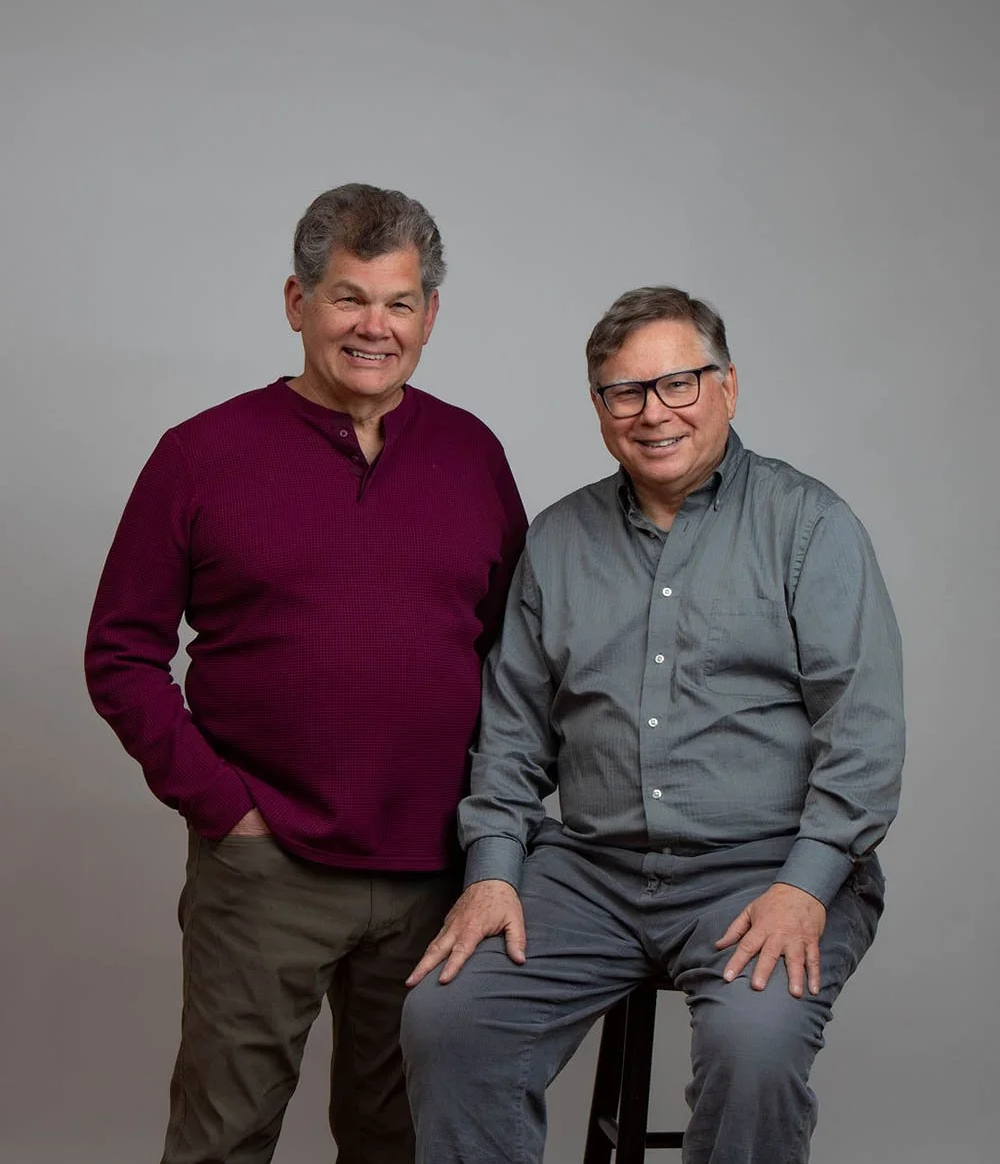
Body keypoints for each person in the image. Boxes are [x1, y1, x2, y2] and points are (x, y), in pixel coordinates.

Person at [401, 286, 904, 1164]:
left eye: (679, 383)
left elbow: (863, 736)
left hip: (765, 868)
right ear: (599, 408)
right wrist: (492, 871)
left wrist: (805, 884)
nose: (653, 412)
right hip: (589, 872)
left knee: (754, 1046)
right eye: (624, 392)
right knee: (449, 1017)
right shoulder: (556, 542)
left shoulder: (809, 527)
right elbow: (512, 738)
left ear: (728, 387)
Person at [84, 183, 527, 1164]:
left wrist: (494, 831)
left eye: (399, 302)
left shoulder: (472, 453)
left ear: (429, 314)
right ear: (297, 302)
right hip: (265, 864)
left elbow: (516, 661)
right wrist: (223, 806)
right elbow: (119, 650)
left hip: (433, 870)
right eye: (347, 297)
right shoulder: (200, 455)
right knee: (224, 1135)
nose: (374, 326)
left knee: (399, 1136)